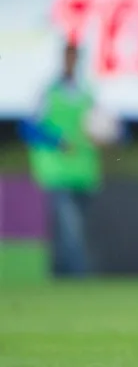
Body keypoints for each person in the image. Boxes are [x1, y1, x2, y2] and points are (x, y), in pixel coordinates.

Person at [20, 41, 103, 277]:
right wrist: (56, 141)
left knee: (67, 229)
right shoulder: (48, 92)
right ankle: (78, 276)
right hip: (56, 172)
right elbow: (28, 128)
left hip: (84, 172)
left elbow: (102, 127)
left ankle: (58, 274)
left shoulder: (87, 93)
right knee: (70, 228)